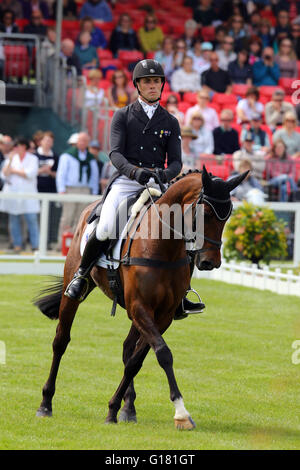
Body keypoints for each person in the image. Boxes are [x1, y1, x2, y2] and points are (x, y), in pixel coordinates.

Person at [64, 59, 205, 317]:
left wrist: (165, 174)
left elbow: (176, 161)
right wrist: (135, 172)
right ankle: (82, 275)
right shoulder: (123, 115)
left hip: (159, 182)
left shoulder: (170, 121)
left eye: (156, 81)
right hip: (128, 181)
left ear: (162, 84)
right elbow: (115, 154)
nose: (152, 86)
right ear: (137, 85)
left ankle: (182, 293)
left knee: (187, 233)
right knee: (106, 225)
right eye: (147, 81)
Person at [56, 132, 99, 248]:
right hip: (70, 189)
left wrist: (94, 191)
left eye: (86, 141)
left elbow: (94, 176)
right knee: (67, 217)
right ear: (77, 142)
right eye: (81, 140)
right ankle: (62, 244)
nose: (83, 143)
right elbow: (61, 173)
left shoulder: (90, 158)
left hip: (85, 190)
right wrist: (61, 189)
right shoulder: (67, 156)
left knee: (81, 218)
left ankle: (76, 245)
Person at [0, 137, 40, 253]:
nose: (16, 148)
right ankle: (17, 245)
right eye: (15, 146)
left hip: (29, 195)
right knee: (14, 220)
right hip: (13, 194)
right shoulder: (10, 159)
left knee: (31, 220)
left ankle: (35, 245)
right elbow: (4, 175)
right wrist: (11, 162)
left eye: (18, 146)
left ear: (24, 147)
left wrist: (14, 171)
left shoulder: (33, 159)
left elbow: (30, 174)